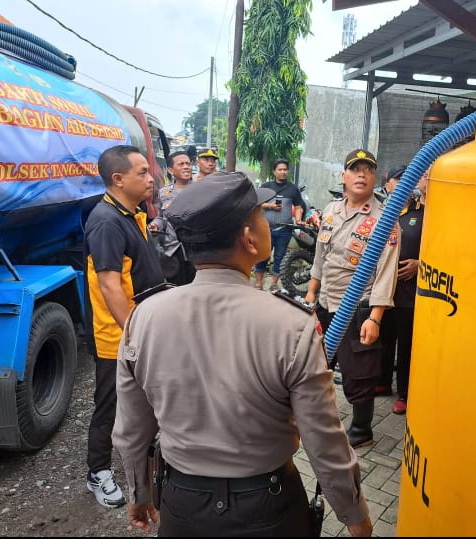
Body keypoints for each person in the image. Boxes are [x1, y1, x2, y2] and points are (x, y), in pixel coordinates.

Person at [112, 171, 372, 537]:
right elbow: (324, 442)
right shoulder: (291, 324)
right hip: (269, 508)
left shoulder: (144, 317)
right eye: (262, 216)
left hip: (182, 505)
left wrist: (140, 494)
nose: (266, 223)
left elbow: (131, 430)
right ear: (249, 238)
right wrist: (355, 516)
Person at [83, 144, 166, 508]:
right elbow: (109, 285)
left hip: (139, 329)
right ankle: (97, 472)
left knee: (142, 401)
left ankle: (143, 459)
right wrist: (133, 335)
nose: (151, 179)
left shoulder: (131, 214)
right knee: (109, 404)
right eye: (142, 173)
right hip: (117, 336)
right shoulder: (106, 221)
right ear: (118, 179)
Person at [304, 149, 400, 448]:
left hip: (358, 308)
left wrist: (375, 317)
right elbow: (322, 254)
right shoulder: (332, 210)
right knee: (316, 362)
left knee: (360, 372)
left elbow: (386, 273)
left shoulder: (385, 220)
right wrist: (311, 291)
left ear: (375, 178)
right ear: (343, 176)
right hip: (326, 304)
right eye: (354, 169)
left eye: (368, 170)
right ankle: (316, 416)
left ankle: (361, 429)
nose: (361, 174)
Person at [376, 169, 427, 415]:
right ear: (387, 186)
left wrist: (420, 263)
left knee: (406, 344)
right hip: (385, 288)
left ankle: (405, 393)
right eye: (399, 178)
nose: (406, 181)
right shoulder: (381, 213)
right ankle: (383, 382)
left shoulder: (423, 212)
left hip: (409, 290)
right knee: (385, 338)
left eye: (410, 177)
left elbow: (437, 245)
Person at [253, 158, 306, 290]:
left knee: (279, 257)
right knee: (262, 256)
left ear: (287, 171)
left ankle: (273, 284)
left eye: (285, 169)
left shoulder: (293, 189)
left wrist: (298, 220)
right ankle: (259, 283)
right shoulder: (266, 187)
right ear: (274, 171)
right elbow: (257, 203)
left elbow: (298, 206)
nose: (282, 172)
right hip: (266, 229)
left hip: (284, 229)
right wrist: (270, 205)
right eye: (280, 169)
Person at [148, 151, 196, 286]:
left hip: (196, 248)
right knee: (176, 287)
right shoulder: (164, 193)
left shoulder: (200, 189)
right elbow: (161, 217)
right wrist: (155, 225)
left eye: (188, 163)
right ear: (170, 170)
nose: (186, 167)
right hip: (173, 249)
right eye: (181, 164)